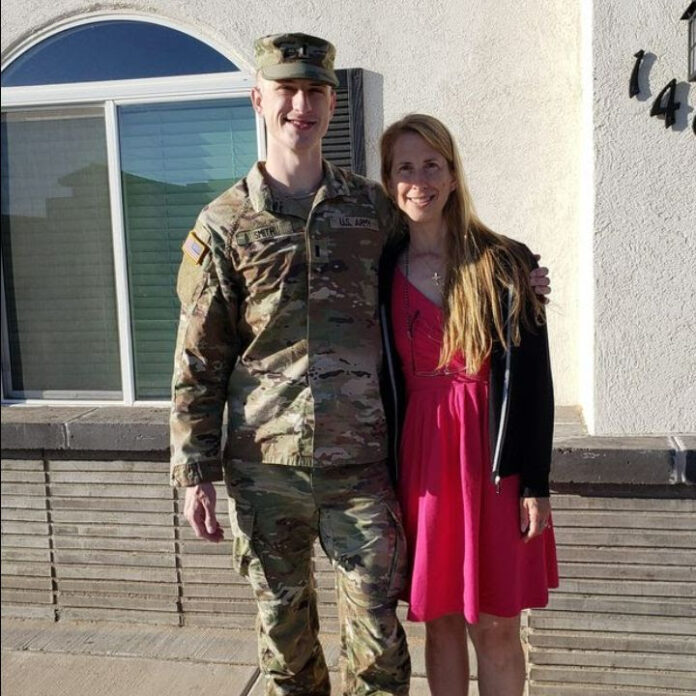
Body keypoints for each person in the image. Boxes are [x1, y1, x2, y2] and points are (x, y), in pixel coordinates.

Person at [170, 33, 551, 695]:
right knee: (286, 649)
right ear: (259, 98)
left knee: (380, 648)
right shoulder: (223, 226)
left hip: (363, 470)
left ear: (331, 102)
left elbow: (449, 242)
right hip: (266, 471)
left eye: (314, 91)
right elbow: (198, 360)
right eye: (286, 90)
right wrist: (193, 470)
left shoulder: (372, 209)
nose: (301, 104)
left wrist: (522, 267)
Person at [377, 114, 559, 696]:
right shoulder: (379, 273)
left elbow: (535, 381)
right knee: (442, 626)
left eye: (432, 165)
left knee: (499, 629)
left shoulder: (506, 263)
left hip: (494, 462)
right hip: (423, 464)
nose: (419, 180)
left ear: (453, 176)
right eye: (405, 167)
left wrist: (537, 482)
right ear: (388, 181)